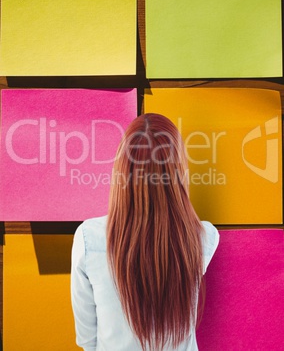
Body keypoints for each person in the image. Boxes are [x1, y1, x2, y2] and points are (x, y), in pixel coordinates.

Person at [71, 113, 219, 351]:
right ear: (178, 170)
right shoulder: (203, 237)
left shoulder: (88, 238)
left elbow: (87, 340)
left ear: (122, 169)